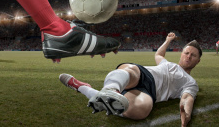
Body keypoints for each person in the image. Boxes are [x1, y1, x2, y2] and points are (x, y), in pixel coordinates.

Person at [59, 32, 201, 126]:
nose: (188, 56)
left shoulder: (191, 82)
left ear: (198, 61)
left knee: (141, 111)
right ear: (181, 54)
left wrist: (186, 114)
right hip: (144, 74)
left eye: (192, 55)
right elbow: (159, 55)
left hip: (150, 93)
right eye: (186, 53)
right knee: (131, 70)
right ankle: (111, 89)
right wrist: (168, 40)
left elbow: (187, 98)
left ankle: (83, 87)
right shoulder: (168, 64)